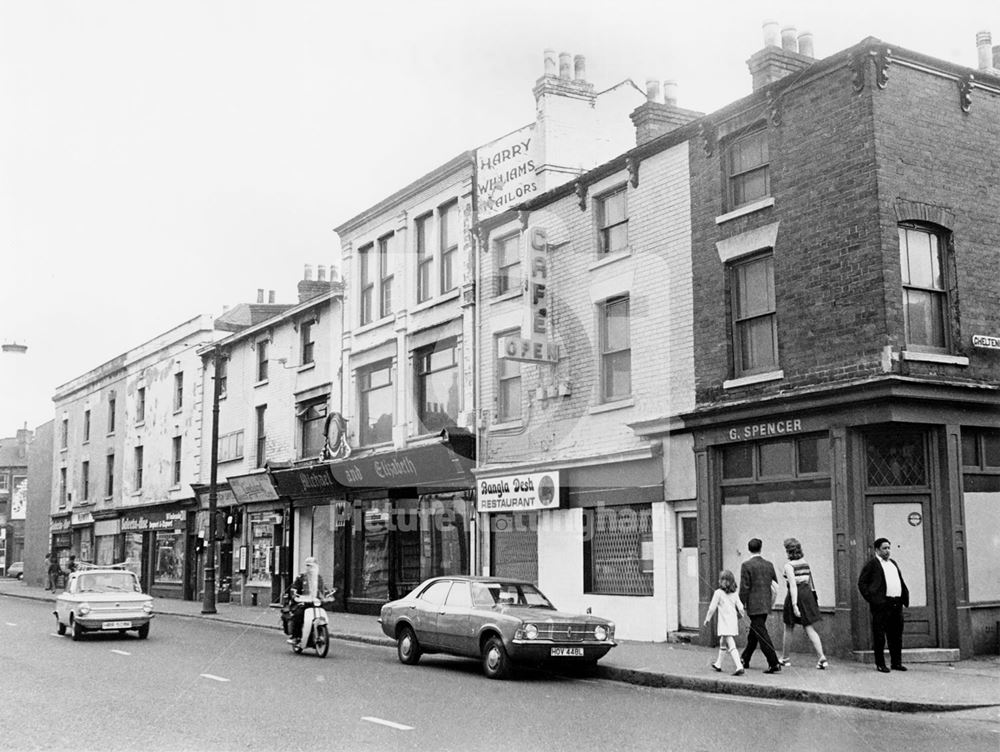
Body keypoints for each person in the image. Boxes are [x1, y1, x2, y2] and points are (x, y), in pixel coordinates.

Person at [857, 537, 909, 673]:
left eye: (889, 548)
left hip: (896, 604)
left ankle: (896, 662)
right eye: (884, 548)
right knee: (880, 636)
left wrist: (903, 596)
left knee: (896, 635)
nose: (887, 551)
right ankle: (880, 664)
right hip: (882, 604)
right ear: (877, 550)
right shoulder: (872, 564)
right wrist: (873, 599)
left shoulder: (893, 563)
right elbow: (862, 583)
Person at [778, 537, 829, 669]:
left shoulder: (789, 566)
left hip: (796, 596)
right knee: (809, 627)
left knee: (788, 626)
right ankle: (821, 657)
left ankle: (785, 658)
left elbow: (793, 586)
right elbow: (809, 582)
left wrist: (794, 605)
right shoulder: (805, 563)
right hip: (807, 595)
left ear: (789, 552)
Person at [739, 538, 782, 674]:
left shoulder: (746, 565)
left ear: (748, 548)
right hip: (766, 603)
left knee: (761, 633)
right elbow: (775, 584)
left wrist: (740, 605)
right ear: (760, 548)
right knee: (755, 632)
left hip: (754, 605)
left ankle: (773, 662)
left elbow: (744, 588)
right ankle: (745, 658)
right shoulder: (769, 564)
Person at [704, 569, 746, 676]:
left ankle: (739, 666)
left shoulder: (718, 593)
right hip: (732, 622)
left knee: (731, 644)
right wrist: (741, 616)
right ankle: (718, 664)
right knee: (722, 642)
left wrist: (707, 619)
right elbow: (741, 608)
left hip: (724, 623)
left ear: (722, 581)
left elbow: (711, 608)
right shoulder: (735, 594)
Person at [288, 557, 326, 648]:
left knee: (321, 614)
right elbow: (294, 589)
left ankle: (320, 632)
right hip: (303, 602)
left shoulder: (318, 578)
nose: (309, 568)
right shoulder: (301, 578)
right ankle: (296, 636)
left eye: (311, 566)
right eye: (307, 565)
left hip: (315, 603)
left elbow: (322, 589)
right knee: (298, 614)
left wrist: (327, 595)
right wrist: (295, 595)